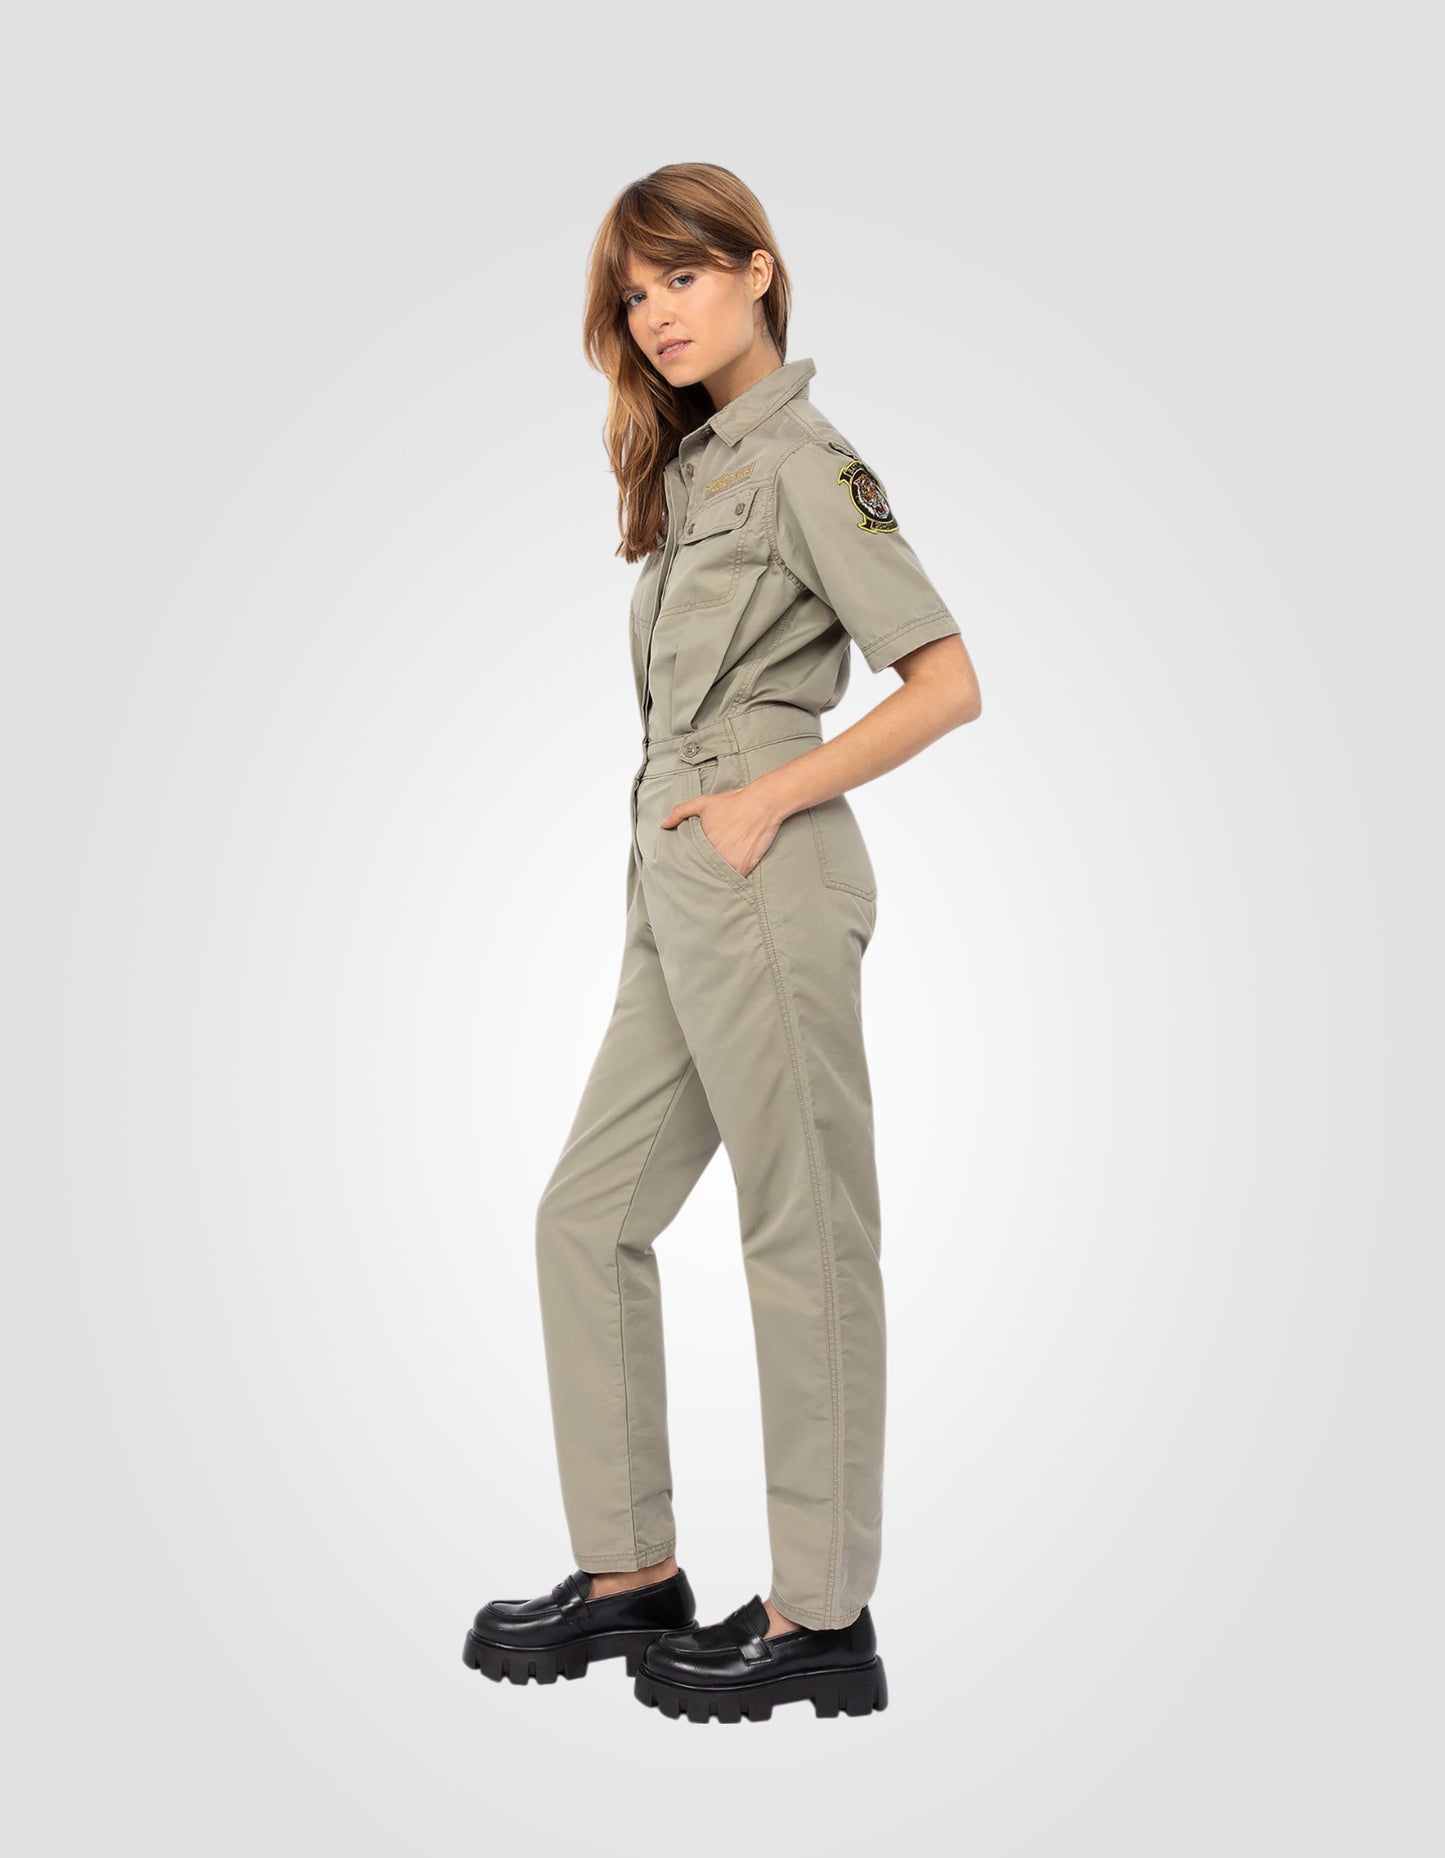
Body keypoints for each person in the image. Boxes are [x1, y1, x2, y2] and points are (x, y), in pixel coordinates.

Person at [463, 162, 981, 1723]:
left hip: (764, 862)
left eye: (680, 276)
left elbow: (945, 680)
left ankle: (821, 1611)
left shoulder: (809, 464)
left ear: (757, 269)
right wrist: (700, 827)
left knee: (800, 1229)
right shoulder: (699, 475)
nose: (655, 314)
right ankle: (632, 1571)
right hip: (677, 870)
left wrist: (768, 798)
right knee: (585, 1215)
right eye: (633, 294)